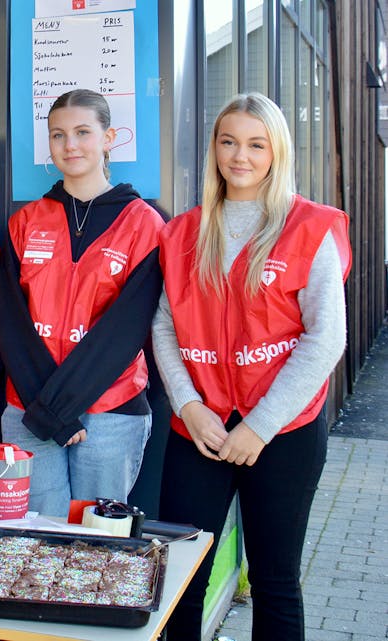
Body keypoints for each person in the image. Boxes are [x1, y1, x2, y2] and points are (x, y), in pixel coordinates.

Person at [153, 92, 351, 640]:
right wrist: (190, 408)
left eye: (256, 144)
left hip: (283, 433)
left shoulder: (310, 228)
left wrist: (260, 425)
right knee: (181, 582)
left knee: (275, 580)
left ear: (276, 151)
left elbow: (326, 338)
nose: (240, 156)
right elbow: (164, 325)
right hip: (199, 431)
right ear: (215, 149)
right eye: (229, 141)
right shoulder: (184, 232)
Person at [0, 88, 166, 517]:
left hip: (110, 412)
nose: (70, 145)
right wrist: (49, 411)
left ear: (109, 138)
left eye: (83, 132)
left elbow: (124, 331)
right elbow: (10, 323)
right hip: (30, 411)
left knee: (96, 547)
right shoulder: (27, 221)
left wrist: (61, 407)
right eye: (58, 135)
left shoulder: (143, 222)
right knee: (35, 538)